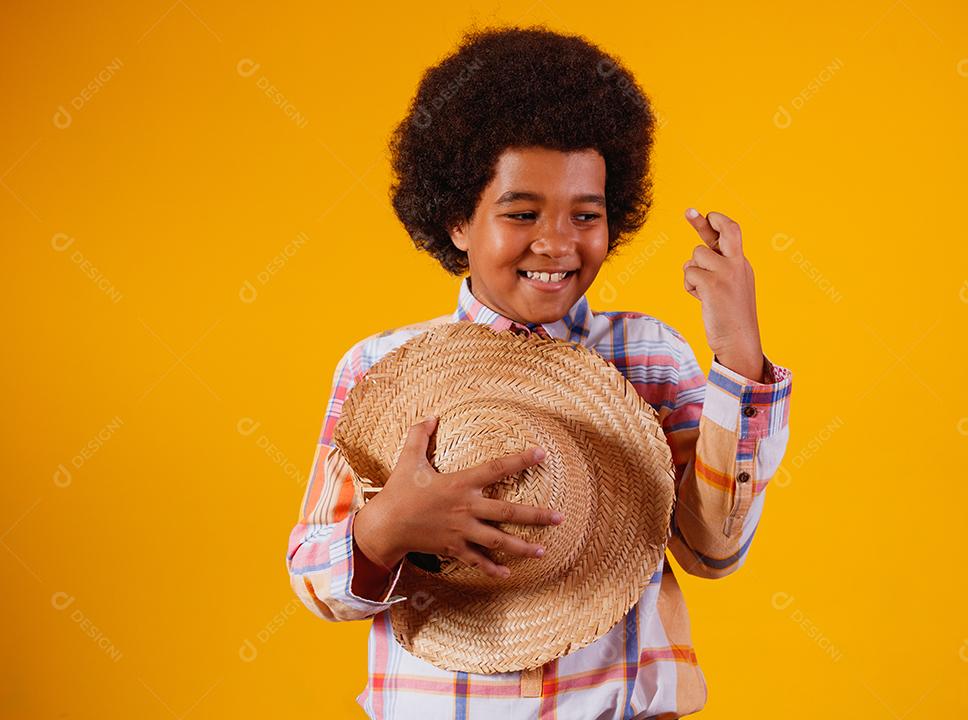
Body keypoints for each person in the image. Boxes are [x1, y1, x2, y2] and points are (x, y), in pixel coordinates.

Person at [285, 24, 793, 719]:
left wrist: (739, 354)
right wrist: (387, 527)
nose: (556, 242)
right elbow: (314, 579)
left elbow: (714, 550)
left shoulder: (647, 357)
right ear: (457, 220)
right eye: (521, 213)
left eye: (587, 214)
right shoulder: (381, 373)